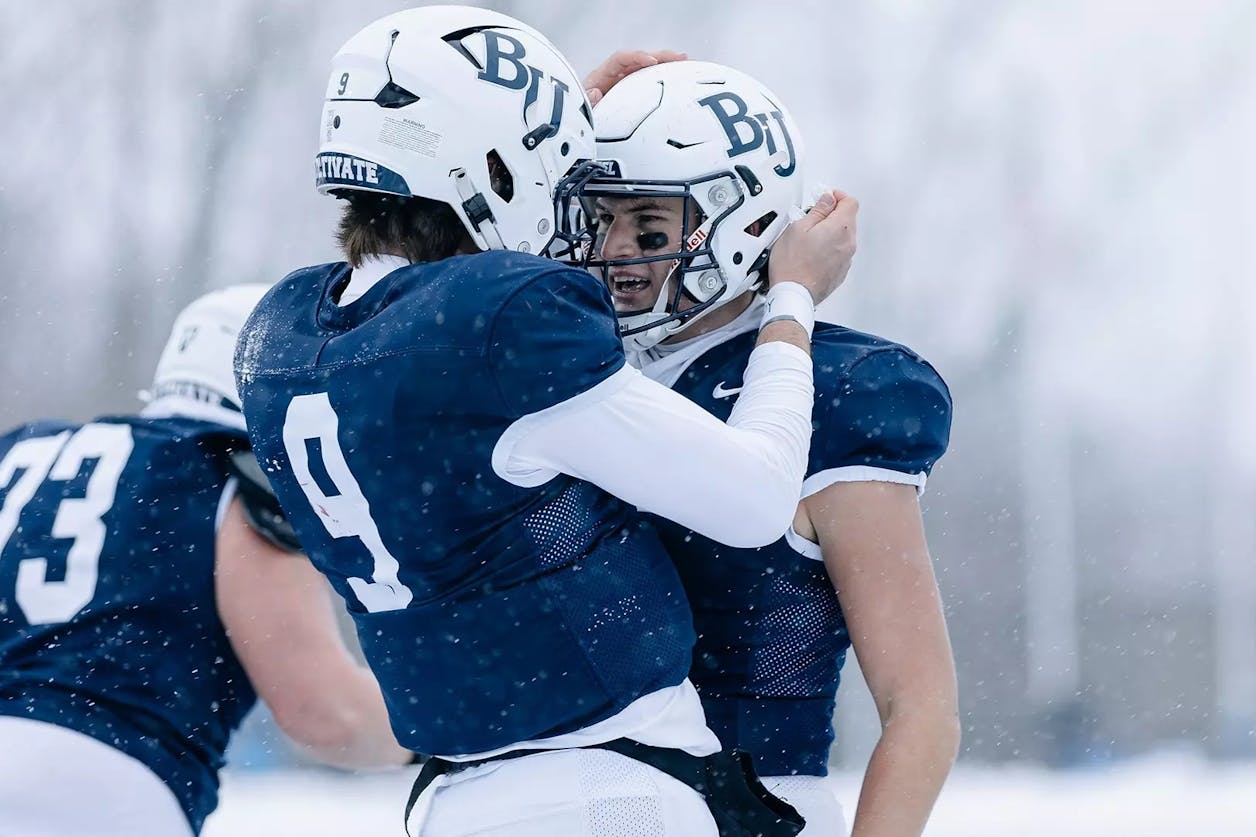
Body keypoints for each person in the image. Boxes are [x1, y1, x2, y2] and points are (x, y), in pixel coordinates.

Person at [233, 6, 856, 836]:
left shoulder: (284, 334)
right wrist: (793, 300)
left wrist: (544, 123)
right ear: (486, 165)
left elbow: (440, 316)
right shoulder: (497, 327)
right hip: (605, 791)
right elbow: (754, 497)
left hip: (458, 796)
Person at [578, 61, 960, 836]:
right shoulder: (563, 362)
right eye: (597, 218)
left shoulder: (842, 390)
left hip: (745, 808)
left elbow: (919, 706)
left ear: (744, 229)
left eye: (648, 228)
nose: (611, 253)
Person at [0, 285, 412, 837]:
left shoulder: (24, 452)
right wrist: (450, 732)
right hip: (101, 784)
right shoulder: (227, 475)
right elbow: (326, 712)